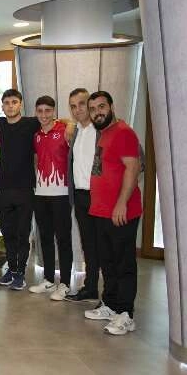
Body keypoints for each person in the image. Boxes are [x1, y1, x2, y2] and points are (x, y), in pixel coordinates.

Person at [83, 91, 142, 336]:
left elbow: (133, 168)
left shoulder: (124, 133)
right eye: (93, 108)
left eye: (102, 106)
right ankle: (110, 304)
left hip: (120, 212)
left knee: (123, 262)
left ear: (111, 106)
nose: (97, 112)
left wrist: (121, 203)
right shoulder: (105, 133)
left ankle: (126, 313)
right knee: (107, 261)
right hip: (101, 211)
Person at [0, 89, 41, 291]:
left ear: (20, 104)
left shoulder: (31, 123)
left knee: (22, 234)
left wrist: (69, 125)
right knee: (8, 234)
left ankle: (20, 274)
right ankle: (12, 270)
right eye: (7, 103)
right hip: (4, 189)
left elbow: (53, 121)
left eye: (14, 102)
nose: (10, 106)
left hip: (25, 189)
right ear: (2, 106)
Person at [26, 96, 73, 301]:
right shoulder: (36, 135)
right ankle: (48, 279)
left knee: (63, 239)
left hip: (61, 194)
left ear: (53, 111)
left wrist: (69, 123)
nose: (43, 115)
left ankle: (65, 283)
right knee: (45, 237)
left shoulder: (65, 130)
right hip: (40, 193)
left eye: (47, 111)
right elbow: (36, 159)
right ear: (36, 112)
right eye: (40, 111)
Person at [64, 88, 101, 303]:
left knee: (105, 245)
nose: (77, 109)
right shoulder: (75, 130)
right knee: (88, 245)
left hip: (100, 196)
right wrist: (70, 123)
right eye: (73, 106)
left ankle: (112, 296)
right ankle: (91, 288)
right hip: (79, 196)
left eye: (81, 104)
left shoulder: (103, 129)